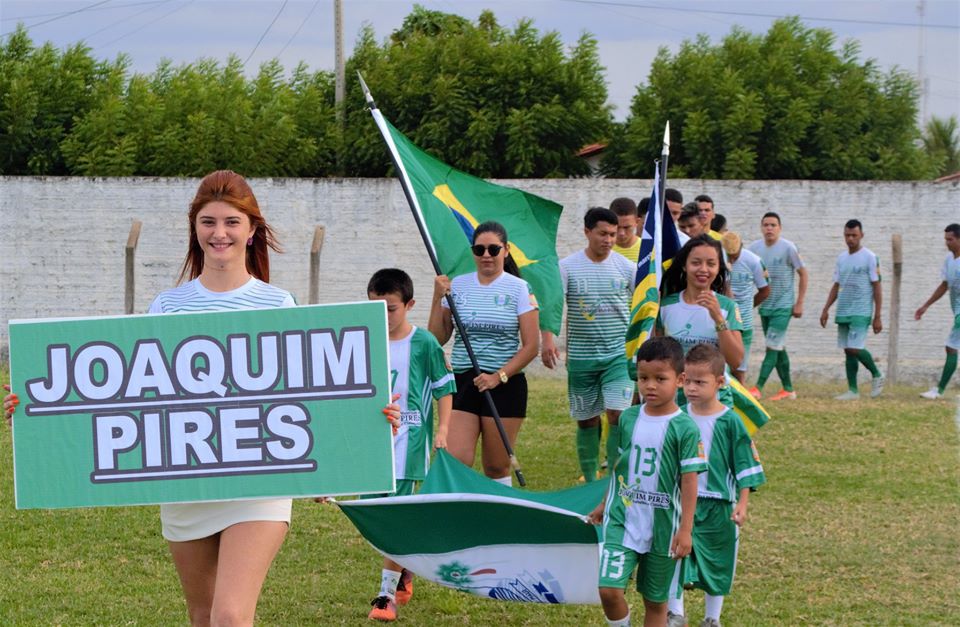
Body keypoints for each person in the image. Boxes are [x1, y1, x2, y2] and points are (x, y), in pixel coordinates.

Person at [0, 170, 402, 626]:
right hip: (186, 484)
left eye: (232, 222)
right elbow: (128, 400)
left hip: (258, 485)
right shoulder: (167, 308)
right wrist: (38, 413)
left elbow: (312, 398)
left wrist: (368, 418)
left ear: (252, 230)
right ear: (195, 228)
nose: (219, 233)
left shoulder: (277, 306)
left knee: (230, 616)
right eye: (208, 221)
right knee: (203, 616)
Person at [587, 336, 707, 627]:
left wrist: (686, 530)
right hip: (622, 519)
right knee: (608, 590)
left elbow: (689, 482)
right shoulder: (628, 418)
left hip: (664, 527)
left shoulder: (685, 428)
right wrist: (605, 502)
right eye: (643, 378)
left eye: (659, 378)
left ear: (679, 380)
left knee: (656, 602)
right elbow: (620, 467)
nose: (650, 385)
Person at [365, 268, 456, 622]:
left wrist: (443, 429)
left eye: (390, 309)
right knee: (374, 518)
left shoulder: (424, 343)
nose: (383, 317)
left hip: (409, 441)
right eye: (375, 308)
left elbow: (444, 387)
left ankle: (384, 595)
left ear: (409, 305)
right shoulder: (361, 337)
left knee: (395, 519)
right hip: (372, 440)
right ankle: (404, 568)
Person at [428, 221, 540, 485]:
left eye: (493, 249)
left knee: (496, 466)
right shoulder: (458, 286)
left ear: (506, 250)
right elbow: (437, 337)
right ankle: (460, 515)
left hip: (505, 384)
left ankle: (499, 517)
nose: (486, 255)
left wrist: (497, 376)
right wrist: (436, 298)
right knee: (457, 457)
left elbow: (531, 346)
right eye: (479, 250)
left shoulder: (519, 289)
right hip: (464, 382)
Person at [666, 344, 766, 627]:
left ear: (720, 383)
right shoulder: (678, 416)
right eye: (687, 381)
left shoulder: (730, 421)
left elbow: (745, 464)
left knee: (718, 560)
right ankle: (675, 613)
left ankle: (712, 618)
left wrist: (743, 504)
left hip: (718, 503)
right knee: (674, 554)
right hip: (681, 501)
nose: (692, 388)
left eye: (701, 382)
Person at [542, 208, 635, 483]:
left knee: (618, 414)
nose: (609, 239)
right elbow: (554, 306)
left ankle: (614, 478)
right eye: (603, 233)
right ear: (587, 232)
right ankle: (590, 478)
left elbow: (645, 302)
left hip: (618, 356)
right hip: (582, 359)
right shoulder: (567, 267)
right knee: (587, 420)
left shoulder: (627, 268)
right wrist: (547, 339)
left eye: (613, 234)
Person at [657, 235, 744, 373]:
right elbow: (655, 355)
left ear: (718, 268)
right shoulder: (665, 306)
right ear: (684, 266)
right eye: (696, 263)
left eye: (711, 264)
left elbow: (736, 361)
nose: (703, 269)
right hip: (675, 390)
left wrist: (718, 318)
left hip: (714, 392)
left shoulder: (728, 307)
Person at [819, 220, 884, 400]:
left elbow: (877, 287)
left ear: (861, 235)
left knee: (855, 348)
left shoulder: (870, 257)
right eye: (847, 235)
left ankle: (877, 374)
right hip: (844, 309)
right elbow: (836, 284)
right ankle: (853, 390)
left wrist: (877, 316)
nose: (850, 239)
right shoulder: (841, 258)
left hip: (861, 310)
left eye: (854, 235)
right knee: (848, 350)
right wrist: (826, 309)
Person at [747, 212, 808, 401]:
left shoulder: (789, 248)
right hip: (765, 306)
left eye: (773, 225)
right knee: (778, 347)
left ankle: (757, 388)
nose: (769, 228)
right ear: (761, 227)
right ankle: (788, 389)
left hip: (784, 306)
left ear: (779, 228)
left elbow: (803, 274)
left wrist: (799, 302)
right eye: (766, 225)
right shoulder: (754, 248)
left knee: (772, 346)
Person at [914, 223, 960, 399]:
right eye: (946, 239)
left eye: (950, 239)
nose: (947, 243)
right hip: (957, 312)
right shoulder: (949, 260)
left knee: (951, 347)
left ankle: (939, 391)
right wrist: (926, 305)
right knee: (952, 348)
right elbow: (944, 285)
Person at [721, 232, 770, 385]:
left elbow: (765, 290)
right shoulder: (716, 259)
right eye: (728, 255)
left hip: (743, 323)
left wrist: (747, 307)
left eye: (734, 256)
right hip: (721, 320)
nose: (731, 259)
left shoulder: (754, 261)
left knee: (739, 369)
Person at [611, 197, 642, 264]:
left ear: (637, 222)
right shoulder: (601, 250)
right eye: (617, 227)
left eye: (627, 227)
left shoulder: (648, 250)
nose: (621, 233)